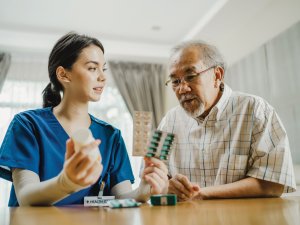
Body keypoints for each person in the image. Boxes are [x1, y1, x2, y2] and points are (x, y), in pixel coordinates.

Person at [0, 32, 168, 206]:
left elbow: (121, 198)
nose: (103, 77)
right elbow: (26, 197)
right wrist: (66, 183)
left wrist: (143, 191)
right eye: (92, 68)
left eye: (103, 69)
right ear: (64, 75)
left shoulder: (111, 136)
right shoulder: (28, 125)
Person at [160, 41, 296, 201]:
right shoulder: (170, 121)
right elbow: (152, 178)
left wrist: (201, 193)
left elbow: (273, 184)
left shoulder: (255, 110)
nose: (182, 89)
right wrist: (165, 185)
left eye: (190, 76)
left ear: (217, 75)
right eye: (175, 81)